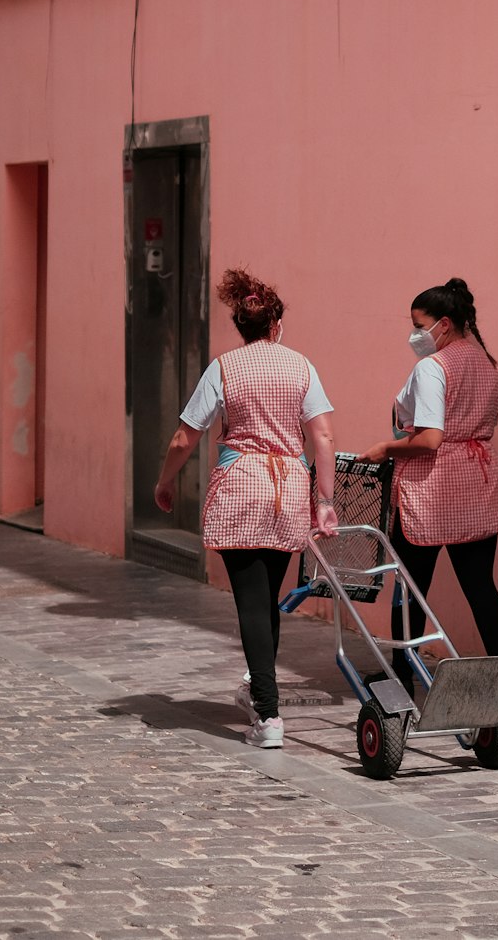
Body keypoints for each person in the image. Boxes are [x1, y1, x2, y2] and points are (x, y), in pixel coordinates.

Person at [154, 268, 337, 749]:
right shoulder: (303, 366)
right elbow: (322, 436)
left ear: (241, 326)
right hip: (288, 490)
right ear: (275, 324)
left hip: (240, 488)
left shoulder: (224, 367)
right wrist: (325, 501)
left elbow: (183, 436)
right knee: (267, 598)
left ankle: (270, 717)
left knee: (251, 603)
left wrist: (165, 481)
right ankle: (259, 693)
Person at [361, 277, 498, 708]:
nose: (415, 334)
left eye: (420, 325)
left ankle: (403, 672)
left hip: (432, 489)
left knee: (410, 587)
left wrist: (386, 448)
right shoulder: (488, 364)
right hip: (477, 481)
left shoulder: (433, 368)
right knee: (481, 588)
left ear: (446, 324)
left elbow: (431, 438)